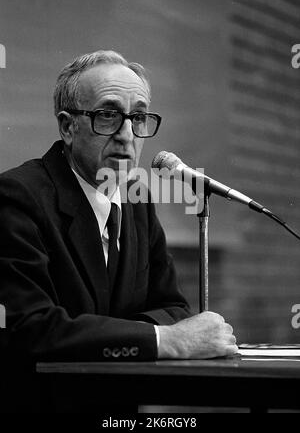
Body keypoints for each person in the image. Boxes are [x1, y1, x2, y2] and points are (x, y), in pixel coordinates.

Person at [0, 50, 237, 412]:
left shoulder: (136, 199)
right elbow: (30, 328)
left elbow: (173, 305)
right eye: (108, 115)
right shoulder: (18, 196)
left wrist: (116, 334)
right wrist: (162, 340)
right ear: (68, 127)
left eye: (138, 117)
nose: (128, 136)